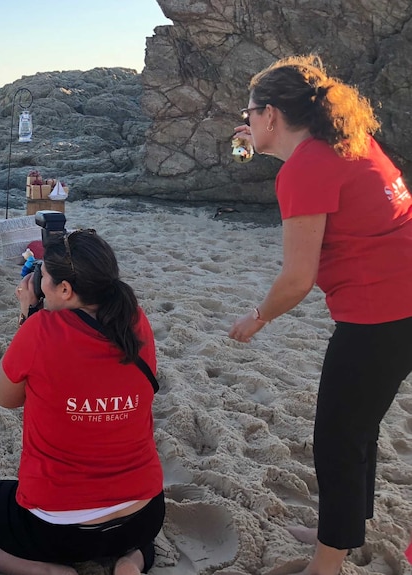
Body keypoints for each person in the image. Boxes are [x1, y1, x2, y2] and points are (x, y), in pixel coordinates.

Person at [228, 55, 412, 575]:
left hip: (384, 311)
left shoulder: (307, 166)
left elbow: (297, 279)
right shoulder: (345, 144)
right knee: (359, 427)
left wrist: (257, 317)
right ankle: (344, 527)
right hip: (402, 299)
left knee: (337, 435)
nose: (246, 122)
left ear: (270, 114)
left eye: (250, 112)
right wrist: (263, 146)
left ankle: (328, 561)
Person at [0, 230, 165, 575]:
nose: (37, 283)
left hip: (57, 527)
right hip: (144, 512)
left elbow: (5, 397)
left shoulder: (41, 328)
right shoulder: (135, 318)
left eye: (43, 277)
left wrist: (26, 315)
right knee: (130, 533)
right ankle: (130, 563)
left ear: (65, 289)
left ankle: (46, 571)